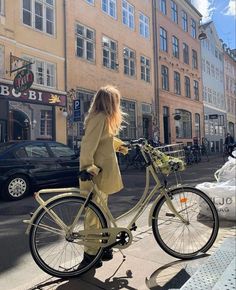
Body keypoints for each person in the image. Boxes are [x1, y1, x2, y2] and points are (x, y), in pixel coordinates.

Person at [79, 85, 128, 268]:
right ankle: (90, 255)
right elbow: (88, 144)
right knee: (93, 215)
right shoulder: (99, 118)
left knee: (101, 212)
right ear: (109, 102)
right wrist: (86, 167)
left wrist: (120, 146)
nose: (117, 104)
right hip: (95, 173)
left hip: (102, 172)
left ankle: (104, 246)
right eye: (116, 100)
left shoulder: (103, 119)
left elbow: (104, 140)